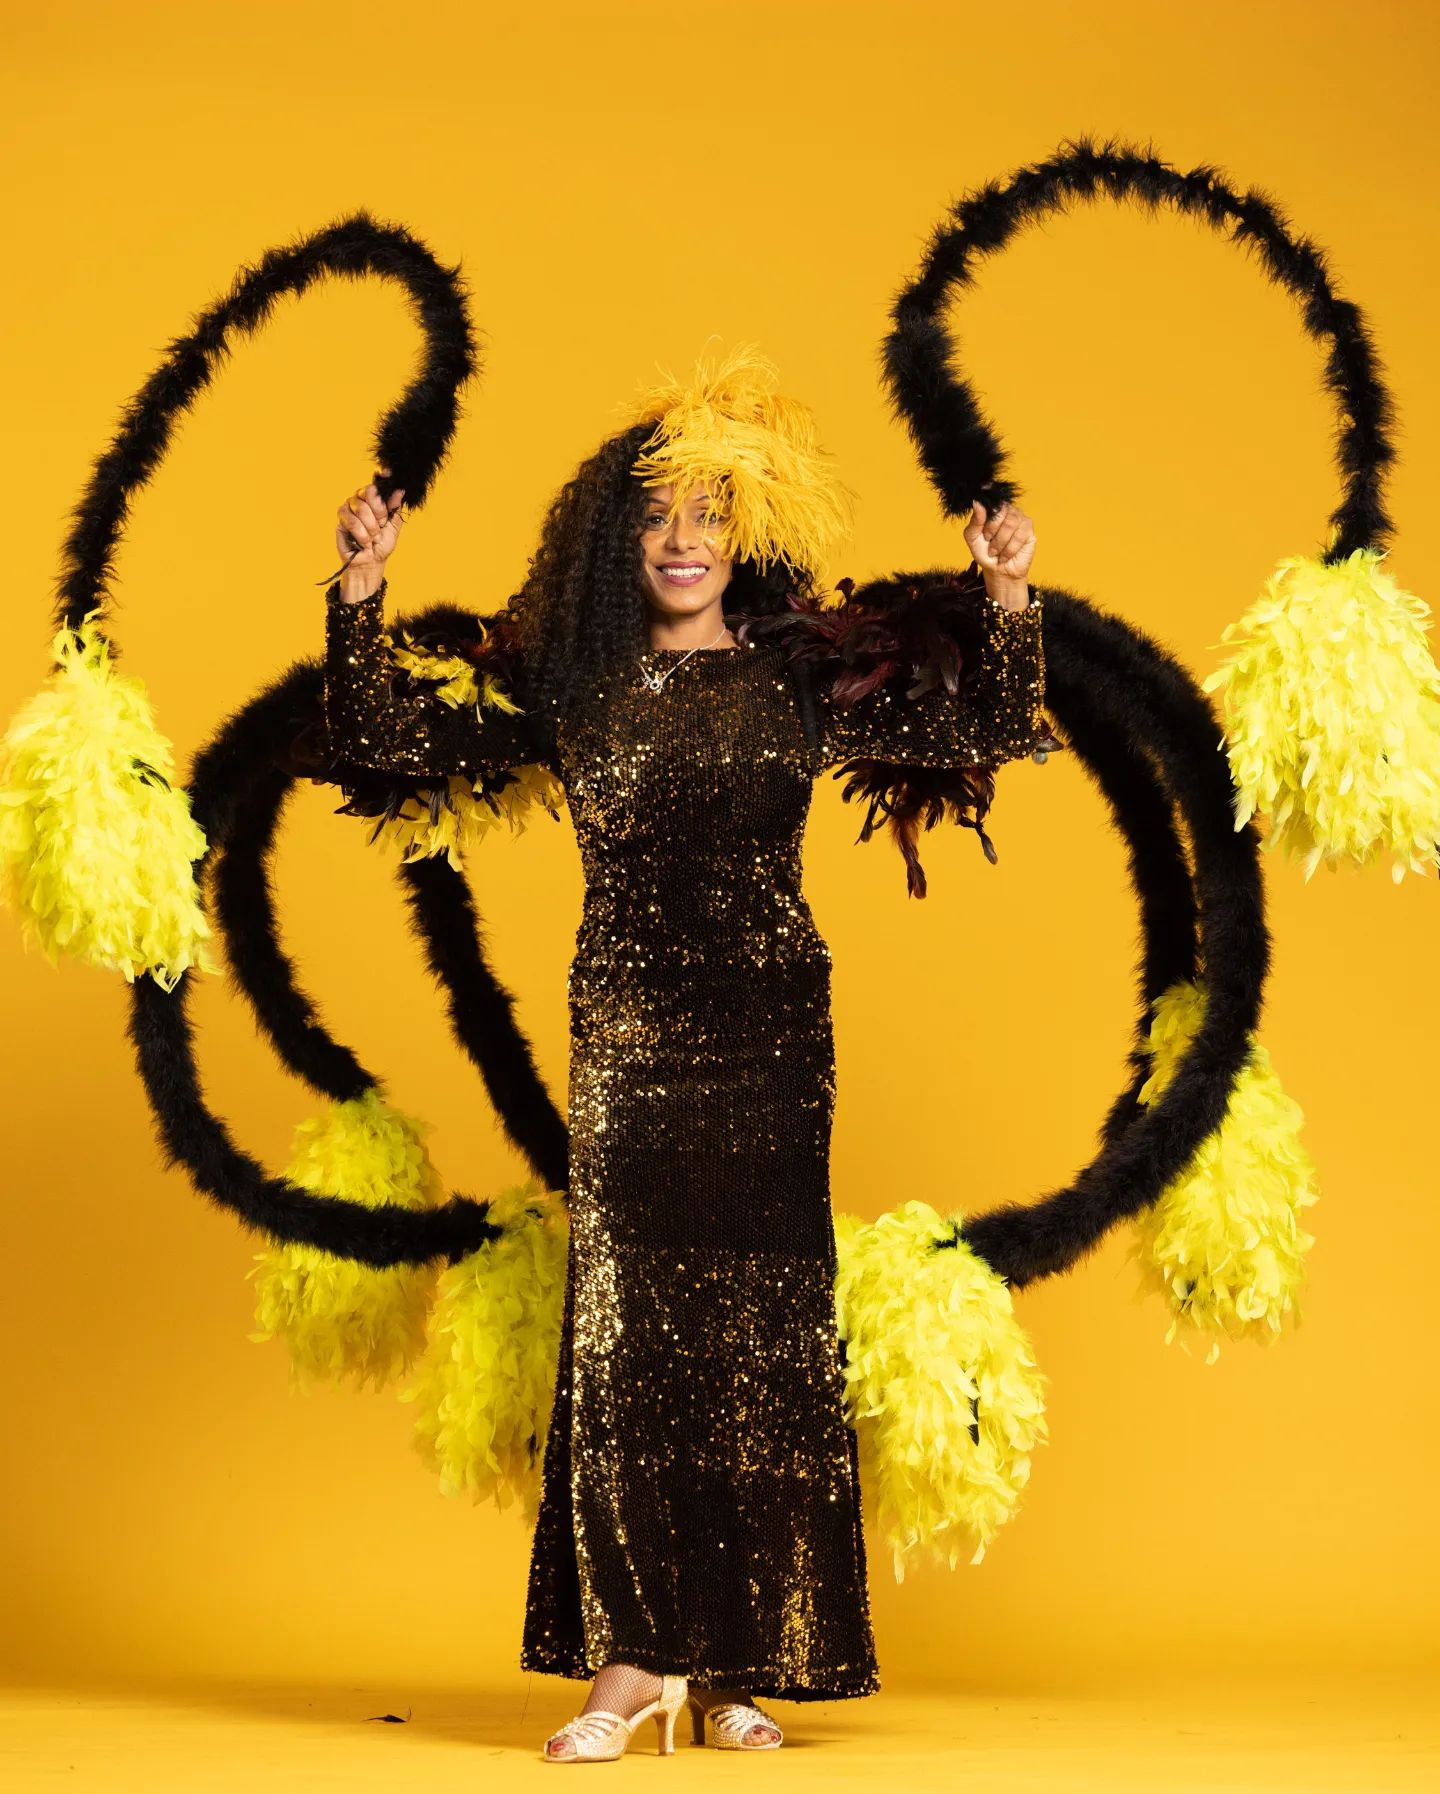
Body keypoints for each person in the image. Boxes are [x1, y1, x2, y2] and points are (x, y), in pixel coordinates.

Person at [320, 351, 1047, 1762]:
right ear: (616, 538)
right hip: (632, 1043)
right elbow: (382, 734)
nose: (681, 540)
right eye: (656, 515)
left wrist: (1007, 590)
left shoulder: (798, 678)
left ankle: (733, 1665)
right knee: (631, 1338)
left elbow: (988, 723)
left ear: (746, 535)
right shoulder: (573, 686)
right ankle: (630, 1666)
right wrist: (362, 587)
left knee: (761, 1340)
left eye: (709, 515)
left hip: (773, 1039)